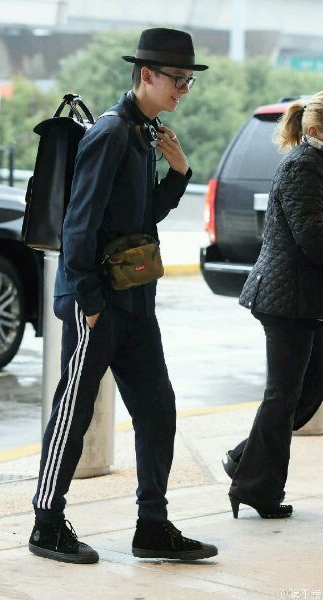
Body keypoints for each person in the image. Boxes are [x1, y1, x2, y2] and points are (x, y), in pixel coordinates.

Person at [28, 27, 218, 564]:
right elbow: (79, 223)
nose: (183, 90)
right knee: (74, 409)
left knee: (158, 410)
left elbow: (141, 216)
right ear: (146, 75)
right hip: (98, 303)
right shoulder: (111, 132)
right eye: (177, 79)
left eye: (188, 82)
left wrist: (178, 172)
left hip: (135, 301)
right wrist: (88, 301)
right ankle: (46, 524)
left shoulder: (144, 133)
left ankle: (151, 526)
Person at [225, 92, 323, 519]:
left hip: (307, 299)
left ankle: (243, 459)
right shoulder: (302, 166)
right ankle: (257, 490)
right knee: (283, 395)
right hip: (286, 298)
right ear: (315, 130)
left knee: (308, 390)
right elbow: (312, 236)